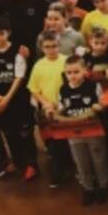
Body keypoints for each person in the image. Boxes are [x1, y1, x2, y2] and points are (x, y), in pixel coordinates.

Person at [0, 16, 35, 181]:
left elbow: (19, 78)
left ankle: (31, 165)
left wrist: (6, 99)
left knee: (24, 133)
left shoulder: (17, 51)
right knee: (8, 133)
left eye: (1, 34)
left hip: (16, 99)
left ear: (8, 33)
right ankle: (17, 162)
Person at [27, 31, 71, 188]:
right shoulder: (38, 65)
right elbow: (33, 89)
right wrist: (45, 103)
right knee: (52, 144)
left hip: (66, 109)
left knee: (68, 141)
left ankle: (72, 168)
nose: (51, 50)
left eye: (54, 46)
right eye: (47, 47)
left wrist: (62, 103)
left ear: (59, 45)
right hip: (47, 111)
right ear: (41, 47)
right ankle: (57, 172)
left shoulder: (67, 61)